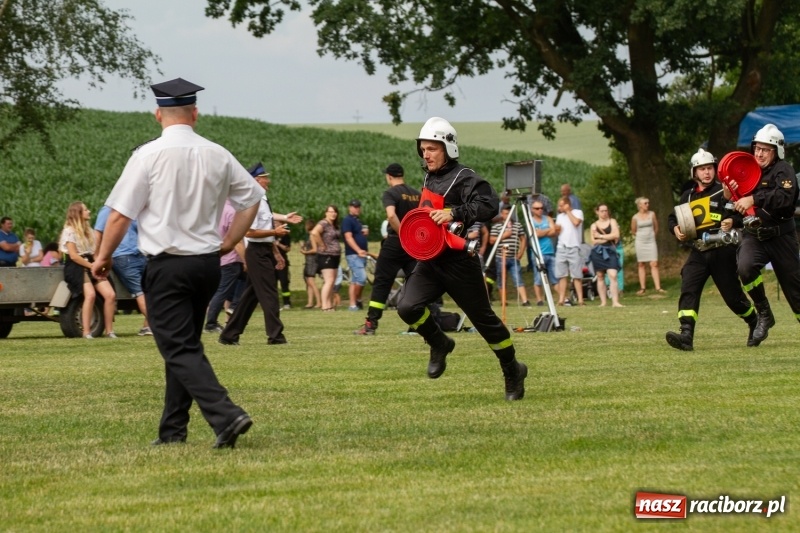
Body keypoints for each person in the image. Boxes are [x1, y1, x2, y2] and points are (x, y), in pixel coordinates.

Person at [91, 77, 263, 449]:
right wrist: (231, 241)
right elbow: (252, 198)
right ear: (195, 114)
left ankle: (226, 414)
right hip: (207, 265)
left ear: (158, 115)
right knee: (182, 344)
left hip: (168, 265)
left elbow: (119, 215)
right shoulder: (218, 153)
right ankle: (172, 432)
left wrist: (103, 257)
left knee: (177, 347)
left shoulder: (147, 156)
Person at [396, 117, 527, 401]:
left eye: (432, 148)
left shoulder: (465, 176)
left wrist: (454, 213)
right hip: (431, 262)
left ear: (448, 148)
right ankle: (440, 342)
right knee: (406, 306)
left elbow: (489, 204)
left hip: (459, 263)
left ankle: (513, 369)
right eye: (423, 149)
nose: (426, 154)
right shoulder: (430, 175)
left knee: (485, 322)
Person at [665, 148, 757, 351]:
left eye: (709, 168)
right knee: (689, 287)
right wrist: (676, 229)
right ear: (694, 173)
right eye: (702, 169)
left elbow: (743, 215)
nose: (706, 172)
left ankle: (754, 321)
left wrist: (731, 220)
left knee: (733, 298)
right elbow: (672, 218)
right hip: (698, 251)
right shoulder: (687, 197)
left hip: (722, 251)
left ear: (715, 170)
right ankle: (686, 335)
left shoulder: (725, 191)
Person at [729, 124, 800, 345]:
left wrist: (755, 199)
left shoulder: (784, 170)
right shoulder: (748, 170)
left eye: (765, 149)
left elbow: (785, 199)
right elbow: (735, 202)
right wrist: (729, 191)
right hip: (755, 235)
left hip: (781, 235)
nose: (759, 153)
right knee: (745, 268)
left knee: (795, 291)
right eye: (756, 148)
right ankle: (765, 314)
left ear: (777, 150)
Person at [219, 163, 302, 346]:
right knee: (269, 295)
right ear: (257, 180)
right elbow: (249, 232)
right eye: (265, 177)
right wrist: (275, 233)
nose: (268, 180)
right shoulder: (251, 201)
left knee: (251, 296)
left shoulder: (262, 200)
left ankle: (229, 335)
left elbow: (267, 224)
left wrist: (276, 252)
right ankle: (276, 336)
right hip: (256, 252)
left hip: (264, 251)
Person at [354, 163, 421, 335]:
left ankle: (371, 325)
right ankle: (417, 325)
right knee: (415, 282)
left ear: (389, 176)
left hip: (395, 242)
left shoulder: (390, 193)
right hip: (413, 243)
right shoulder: (416, 194)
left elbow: (391, 215)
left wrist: (402, 234)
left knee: (382, 283)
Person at [60, 202, 117, 338]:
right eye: (85, 210)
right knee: (90, 295)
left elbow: (95, 254)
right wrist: (92, 266)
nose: (89, 211)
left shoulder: (89, 231)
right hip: (76, 265)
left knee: (110, 295)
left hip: (90, 262)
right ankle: (86, 331)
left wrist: (101, 266)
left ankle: (110, 331)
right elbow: (73, 256)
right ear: (78, 213)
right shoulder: (69, 231)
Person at [94, 206, 151, 336]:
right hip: (122, 256)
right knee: (140, 291)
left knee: (149, 291)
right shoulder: (107, 210)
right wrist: (98, 258)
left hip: (140, 254)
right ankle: (160, 324)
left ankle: (148, 327)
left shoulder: (133, 210)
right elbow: (98, 233)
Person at [204, 200, 247, 333]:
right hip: (232, 258)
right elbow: (237, 240)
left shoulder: (215, 211)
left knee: (244, 280)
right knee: (222, 291)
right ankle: (211, 323)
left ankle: (233, 307)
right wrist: (246, 261)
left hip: (219, 256)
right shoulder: (232, 212)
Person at [489, 204, 531, 306]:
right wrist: (504, 235)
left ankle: (525, 301)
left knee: (518, 278)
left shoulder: (517, 225)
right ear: (502, 214)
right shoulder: (497, 226)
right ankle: (503, 301)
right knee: (502, 279)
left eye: (509, 213)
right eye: (506, 213)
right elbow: (491, 240)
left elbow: (523, 238)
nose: (507, 215)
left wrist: (521, 252)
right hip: (501, 257)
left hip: (513, 257)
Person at [589, 203, 623, 307]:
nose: (604, 213)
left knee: (613, 275)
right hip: (598, 252)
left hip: (610, 251)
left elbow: (616, 235)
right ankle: (603, 302)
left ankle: (615, 302)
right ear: (597, 212)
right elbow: (594, 241)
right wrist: (608, 237)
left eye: (606, 210)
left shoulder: (612, 221)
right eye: (602, 211)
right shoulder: (594, 225)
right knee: (600, 276)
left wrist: (600, 236)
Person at [554, 196, 585, 306]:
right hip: (561, 247)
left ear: (567, 205)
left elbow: (576, 223)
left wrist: (568, 211)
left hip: (574, 247)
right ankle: (561, 299)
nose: (559, 207)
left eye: (561, 205)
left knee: (576, 275)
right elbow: (557, 230)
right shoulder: (559, 217)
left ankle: (580, 299)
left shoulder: (577, 213)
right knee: (562, 275)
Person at [311, 205, 342, 311]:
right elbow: (314, 232)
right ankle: (324, 305)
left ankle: (329, 304)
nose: (333, 214)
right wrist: (322, 245)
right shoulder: (323, 223)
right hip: (326, 255)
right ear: (326, 213)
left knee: (332, 281)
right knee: (328, 280)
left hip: (335, 256)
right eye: (330, 212)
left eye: (335, 212)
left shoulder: (334, 225)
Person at [631, 197, 665, 294]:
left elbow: (656, 227)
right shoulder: (635, 217)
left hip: (651, 241)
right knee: (641, 264)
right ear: (640, 205)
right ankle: (643, 288)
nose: (647, 205)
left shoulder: (652, 214)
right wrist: (641, 237)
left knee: (654, 263)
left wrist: (652, 236)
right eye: (645, 203)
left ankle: (658, 287)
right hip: (640, 242)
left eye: (648, 203)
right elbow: (633, 230)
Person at [530, 200, 559, 306]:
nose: (540, 210)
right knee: (538, 278)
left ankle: (562, 299)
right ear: (532, 210)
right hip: (538, 253)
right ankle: (539, 300)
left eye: (542, 208)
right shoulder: (530, 221)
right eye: (537, 208)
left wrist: (542, 232)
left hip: (550, 252)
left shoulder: (548, 218)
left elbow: (554, 232)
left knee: (555, 277)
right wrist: (548, 230)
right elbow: (535, 234)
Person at [342, 199, 369, 311]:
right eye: (354, 206)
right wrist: (358, 250)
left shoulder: (357, 220)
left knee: (354, 280)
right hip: (354, 254)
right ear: (350, 207)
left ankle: (353, 305)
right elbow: (348, 237)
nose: (356, 208)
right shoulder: (347, 220)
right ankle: (357, 300)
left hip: (360, 254)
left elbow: (357, 235)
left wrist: (364, 234)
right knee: (361, 278)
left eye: (358, 206)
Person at [300, 218, 322, 309]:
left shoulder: (312, 235)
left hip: (312, 260)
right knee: (308, 282)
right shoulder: (310, 235)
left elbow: (315, 249)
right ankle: (310, 302)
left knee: (311, 281)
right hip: (309, 260)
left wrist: (305, 252)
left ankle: (319, 302)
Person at [275, 232, 292, 309]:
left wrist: (278, 244)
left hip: (283, 263)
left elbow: (288, 248)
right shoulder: (269, 233)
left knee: (284, 283)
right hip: (271, 263)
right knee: (272, 284)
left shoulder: (285, 235)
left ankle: (287, 303)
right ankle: (274, 303)